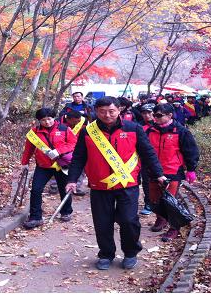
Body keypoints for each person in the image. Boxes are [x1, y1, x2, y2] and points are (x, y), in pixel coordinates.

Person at [65, 97, 167, 271]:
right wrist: (72, 179)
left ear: (119, 110)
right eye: (102, 111)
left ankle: (130, 252)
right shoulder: (88, 132)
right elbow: (79, 157)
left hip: (128, 184)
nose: (107, 115)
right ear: (96, 111)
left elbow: (148, 152)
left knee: (128, 220)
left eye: (111, 111)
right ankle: (106, 254)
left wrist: (159, 174)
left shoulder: (133, 128)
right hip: (100, 186)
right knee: (102, 222)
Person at [145, 103, 200, 242]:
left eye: (158, 115)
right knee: (154, 199)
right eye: (154, 115)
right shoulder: (150, 131)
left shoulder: (181, 131)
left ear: (169, 116)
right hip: (153, 170)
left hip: (172, 170)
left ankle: (174, 227)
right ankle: (161, 219)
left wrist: (191, 169)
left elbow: (191, 151)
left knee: (170, 201)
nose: (154, 118)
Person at [20, 108, 77, 229]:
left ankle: (66, 212)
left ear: (54, 118)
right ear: (39, 121)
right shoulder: (34, 132)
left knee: (64, 189)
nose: (47, 122)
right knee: (36, 190)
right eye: (43, 120)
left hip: (61, 164)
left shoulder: (64, 129)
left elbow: (73, 143)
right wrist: (24, 163)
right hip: (43, 165)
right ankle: (35, 217)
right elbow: (29, 149)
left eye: (49, 119)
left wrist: (59, 151)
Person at [62, 110, 88, 196]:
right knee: (61, 168)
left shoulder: (84, 122)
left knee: (80, 167)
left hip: (79, 148)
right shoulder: (59, 123)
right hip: (64, 150)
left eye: (79, 120)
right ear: (69, 119)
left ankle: (77, 187)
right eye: (76, 121)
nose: (78, 123)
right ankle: (55, 185)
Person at [138, 103, 156, 216]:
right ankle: (148, 203)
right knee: (146, 182)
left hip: (161, 158)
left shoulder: (161, 125)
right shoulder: (138, 126)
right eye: (144, 113)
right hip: (144, 159)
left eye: (149, 113)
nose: (147, 115)